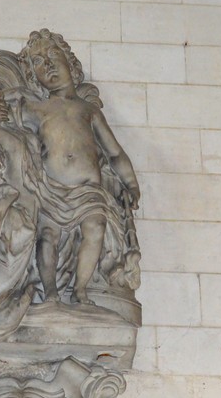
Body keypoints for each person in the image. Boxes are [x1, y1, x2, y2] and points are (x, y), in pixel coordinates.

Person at [13, 30, 140, 306]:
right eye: (38, 63)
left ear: (70, 63)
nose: (48, 66)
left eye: (52, 57)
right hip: (51, 188)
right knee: (48, 236)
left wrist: (130, 184)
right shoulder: (38, 109)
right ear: (34, 77)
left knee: (95, 227)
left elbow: (115, 153)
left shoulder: (89, 111)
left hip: (88, 188)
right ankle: (50, 293)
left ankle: (81, 289)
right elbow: (3, 121)